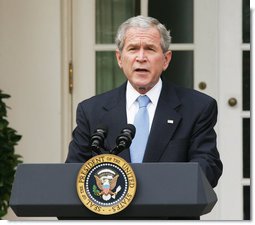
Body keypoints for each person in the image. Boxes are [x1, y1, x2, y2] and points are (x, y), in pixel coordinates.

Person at [66, 15, 223, 188]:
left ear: (166, 59)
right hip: (111, 214)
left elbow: (208, 168)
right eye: (133, 49)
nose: (141, 57)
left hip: (170, 212)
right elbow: (73, 173)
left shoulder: (198, 107)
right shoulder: (91, 111)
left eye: (149, 49)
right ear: (119, 58)